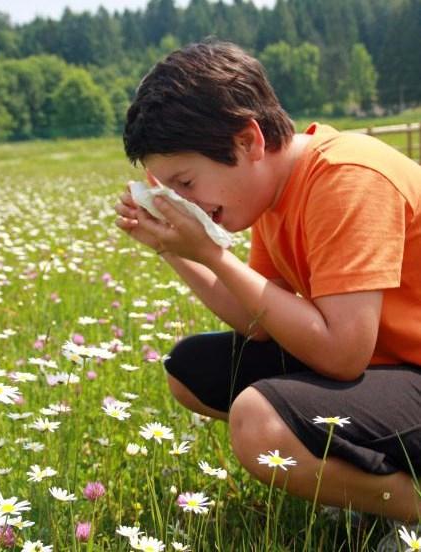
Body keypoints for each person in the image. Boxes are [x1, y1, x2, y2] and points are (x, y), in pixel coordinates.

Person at [115, 40, 421, 529]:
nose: (183, 203)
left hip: (405, 367)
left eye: (186, 184)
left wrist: (212, 254)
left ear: (248, 141)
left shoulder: (346, 177)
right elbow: (256, 323)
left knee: (260, 422)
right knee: (192, 367)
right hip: (390, 366)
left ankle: (407, 508)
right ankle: (366, 490)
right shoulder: (272, 194)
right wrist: (172, 248)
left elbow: (343, 354)